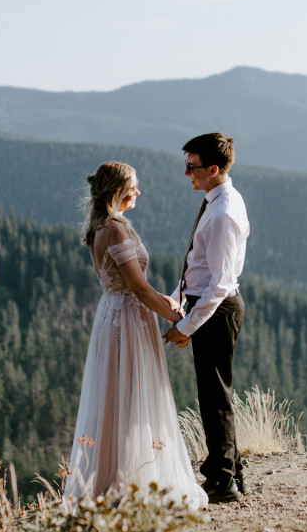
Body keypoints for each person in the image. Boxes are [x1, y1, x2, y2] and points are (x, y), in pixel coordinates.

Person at [62, 162, 209, 510]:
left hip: (115, 316)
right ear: (117, 190)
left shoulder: (101, 228)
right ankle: (128, 481)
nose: (138, 192)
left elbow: (137, 288)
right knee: (132, 394)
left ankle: (117, 478)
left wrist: (167, 299)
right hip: (127, 320)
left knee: (117, 395)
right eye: (134, 186)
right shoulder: (114, 230)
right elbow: (139, 290)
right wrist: (177, 319)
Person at [164, 133, 250, 503]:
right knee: (214, 394)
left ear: (213, 169)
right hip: (206, 306)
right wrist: (178, 299)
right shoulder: (218, 201)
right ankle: (231, 472)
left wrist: (185, 327)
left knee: (214, 397)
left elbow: (218, 284)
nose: (187, 173)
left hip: (216, 310)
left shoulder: (222, 213)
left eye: (192, 166)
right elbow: (200, 268)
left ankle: (223, 480)